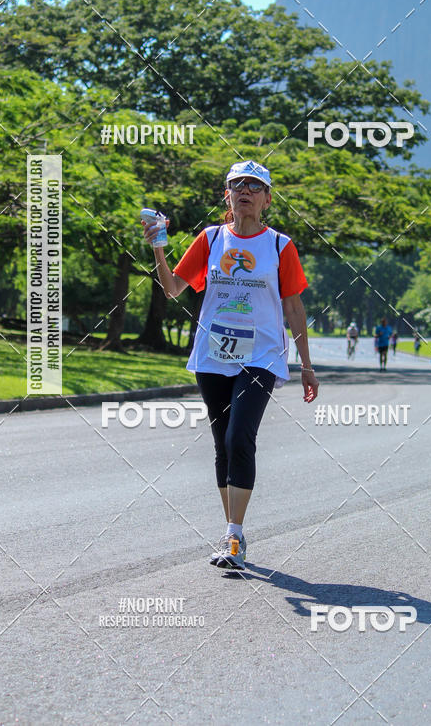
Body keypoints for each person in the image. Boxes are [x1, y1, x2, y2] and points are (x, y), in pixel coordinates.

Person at [142, 160, 318, 572]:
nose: (245, 190)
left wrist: (306, 366)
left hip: (261, 355)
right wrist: (158, 245)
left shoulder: (279, 246)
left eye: (255, 186)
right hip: (213, 354)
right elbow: (172, 289)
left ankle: (235, 534)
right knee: (222, 443)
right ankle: (231, 530)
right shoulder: (211, 239)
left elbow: (293, 305)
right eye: (237, 184)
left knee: (241, 436)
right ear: (227, 195)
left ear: (267, 199)